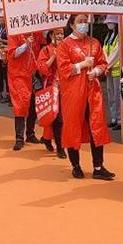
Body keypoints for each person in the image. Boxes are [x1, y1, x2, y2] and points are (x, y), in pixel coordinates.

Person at [57, 14, 114, 180]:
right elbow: (63, 69)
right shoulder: (64, 45)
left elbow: (103, 64)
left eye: (85, 21)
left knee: (96, 126)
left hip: (92, 92)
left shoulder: (94, 43)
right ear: (72, 25)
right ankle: (76, 166)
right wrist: (82, 65)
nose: (83, 24)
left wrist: (96, 71)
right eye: (80, 21)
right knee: (73, 126)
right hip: (73, 93)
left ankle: (98, 166)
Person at [7, 31, 42, 150]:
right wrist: (26, 44)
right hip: (19, 76)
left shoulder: (35, 33)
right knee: (20, 106)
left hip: (33, 74)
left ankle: (30, 133)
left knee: (34, 104)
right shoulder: (14, 34)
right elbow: (13, 54)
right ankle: (19, 138)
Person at [36, 27, 67, 157]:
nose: (60, 36)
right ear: (51, 35)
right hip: (51, 88)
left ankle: (47, 138)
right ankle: (60, 148)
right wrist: (54, 55)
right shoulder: (45, 49)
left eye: (62, 34)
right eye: (57, 34)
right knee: (56, 118)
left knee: (60, 118)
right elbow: (42, 68)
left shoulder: (67, 48)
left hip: (66, 88)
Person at [103, 15, 122, 129]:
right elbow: (104, 50)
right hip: (108, 70)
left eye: (111, 22)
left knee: (117, 95)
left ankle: (120, 120)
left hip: (116, 70)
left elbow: (117, 53)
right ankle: (113, 118)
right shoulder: (107, 37)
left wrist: (106, 65)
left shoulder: (119, 36)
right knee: (110, 95)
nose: (109, 24)